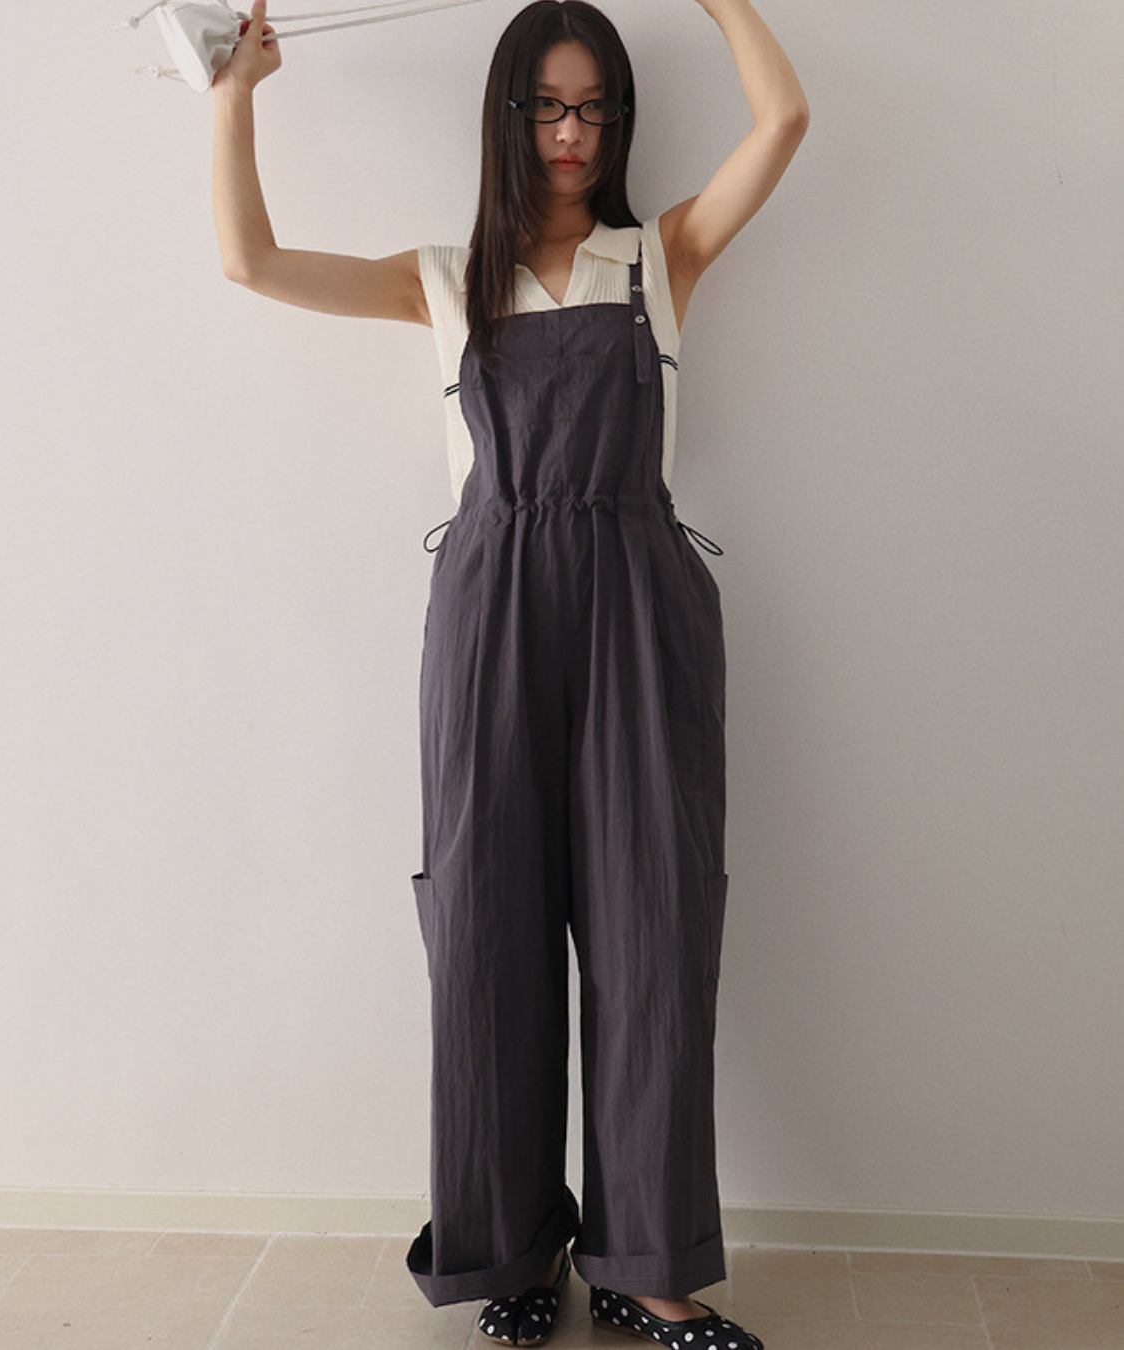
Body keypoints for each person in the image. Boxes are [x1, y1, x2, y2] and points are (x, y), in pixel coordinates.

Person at [211, 1, 807, 1344]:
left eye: (593, 106)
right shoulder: (446, 279)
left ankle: (646, 1263)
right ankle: (514, 1250)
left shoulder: (657, 259)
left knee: (655, 930)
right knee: (486, 930)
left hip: (639, 609)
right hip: (491, 614)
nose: (570, 132)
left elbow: (785, 120)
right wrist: (235, 92)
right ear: (506, 116)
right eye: (546, 105)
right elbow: (248, 262)